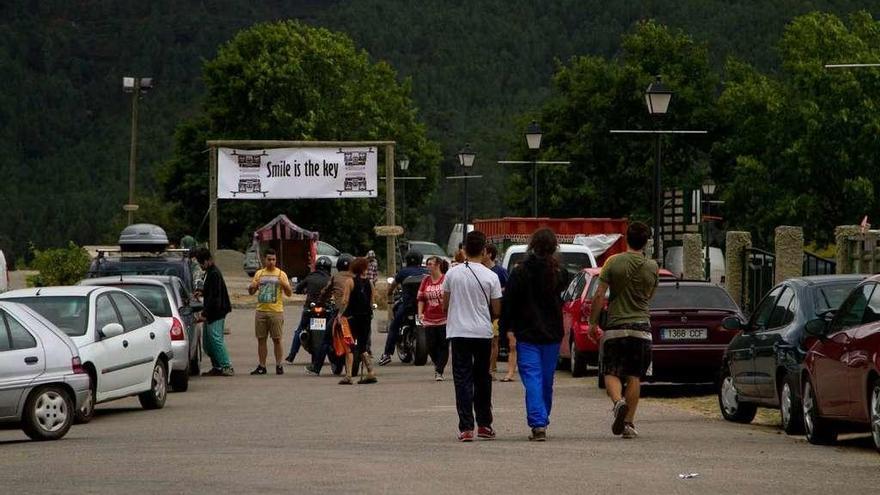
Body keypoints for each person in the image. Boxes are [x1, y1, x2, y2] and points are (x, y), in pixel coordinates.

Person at [588, 222, 659, 439]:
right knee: (634, 375)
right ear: (646, 242)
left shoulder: (613, 262)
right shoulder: (652, 266)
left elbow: (599, 294)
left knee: (611, 371)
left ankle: (618, 403)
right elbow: (650, 294)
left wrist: (593, 323)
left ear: (626, 238)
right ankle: (628, 423)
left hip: (616, 326)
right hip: (641, 328)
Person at [500, 228, 569, 441]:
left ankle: (538, 423)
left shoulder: (520, 272)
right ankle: (542, 417)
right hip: (551, 334)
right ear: (554, 248)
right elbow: (564, 298)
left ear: (532, 245)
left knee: (532, 378)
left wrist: (506, 330)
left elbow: (509, 303)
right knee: (546, 379)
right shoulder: (559, 273)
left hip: (527, 333)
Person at [442, 231, 502, 442]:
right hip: (482, 333)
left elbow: (445, 304)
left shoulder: (452, 274)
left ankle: (466, 427)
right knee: (483, 377)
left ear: (464, 250)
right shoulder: (491, 276)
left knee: (462, 378)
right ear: (485, 251)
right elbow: (496, 308)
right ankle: (485, 424)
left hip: (458, 331)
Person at [378, 251, 428, 366]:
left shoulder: (403, 272)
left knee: (394, 326)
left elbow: (392, 286)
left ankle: (387, 354)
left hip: (408, 305)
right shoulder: (426, 272)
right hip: (425, 306)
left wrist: (389, 293)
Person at [248, 248, 293, 375]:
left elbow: (289, 293)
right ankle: (262, 366)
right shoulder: (259, 274)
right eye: (269, 259)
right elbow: (251, 292)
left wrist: (283, 284)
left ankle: (279, 365)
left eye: (273, 259)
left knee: (277, 339)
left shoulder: (281, 274)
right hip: (261, 311)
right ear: (264, 259)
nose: (271, 262)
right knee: (261, 339)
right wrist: (253, 286)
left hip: (276, 312)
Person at [306, 254, 353, 376]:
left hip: (340, 313)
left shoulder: (335, 277)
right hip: (356, 313)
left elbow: (325, 292)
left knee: (326, 339)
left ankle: (316, 367)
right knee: (364, 335)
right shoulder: (356, 277)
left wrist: (320, 302)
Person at [285, 256, 332, 364]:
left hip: (310, 308)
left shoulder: (310, 277)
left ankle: (291, 356)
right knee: (332, 330)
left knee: (300, 330)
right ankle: (333, 355)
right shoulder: (330, 279)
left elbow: (298, 288)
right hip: (326, 309)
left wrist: (300, 290)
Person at [194, 248, 234, 376]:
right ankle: (217, 366)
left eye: (201, 263)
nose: (201, 266)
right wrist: (202, 292)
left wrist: (204, 314)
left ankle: (226, 366)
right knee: (207, 344)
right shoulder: (209, 273)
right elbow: (210, 292)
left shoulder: (214, 273)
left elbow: (214, 297)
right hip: (212, 312)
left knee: (216, 340)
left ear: (207, 261)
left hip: (216, 312)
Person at [338, 257, 378, 385]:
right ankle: (370, 372)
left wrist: (340, 314)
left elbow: (345, 300)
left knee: (349, 345)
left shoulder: (350, 281)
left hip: (351, 318)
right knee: (362, 346)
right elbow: (372, 301)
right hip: (366, 317)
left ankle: (348, 375)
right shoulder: (370, 283)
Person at [417, 256, 449, 381]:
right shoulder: (425, 280)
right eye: (427, 264)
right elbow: (421, 299)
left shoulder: (445, 279)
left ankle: (439, 370)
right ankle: (438, 364)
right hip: (429, 319)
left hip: (444, 318)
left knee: (443, 345)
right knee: (430, 346)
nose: (428, 266)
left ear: (437, 265)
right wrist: (420, 313)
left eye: (430, 264)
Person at [482, 243, 509, 381]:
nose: (482, 254)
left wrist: (495, 291)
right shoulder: (479, 270)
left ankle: (491, 369)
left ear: (490, 254)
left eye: (484, 252)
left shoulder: (500, 271)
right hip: (481, 312)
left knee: (494, 341)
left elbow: (508, 288)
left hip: (495, 313)